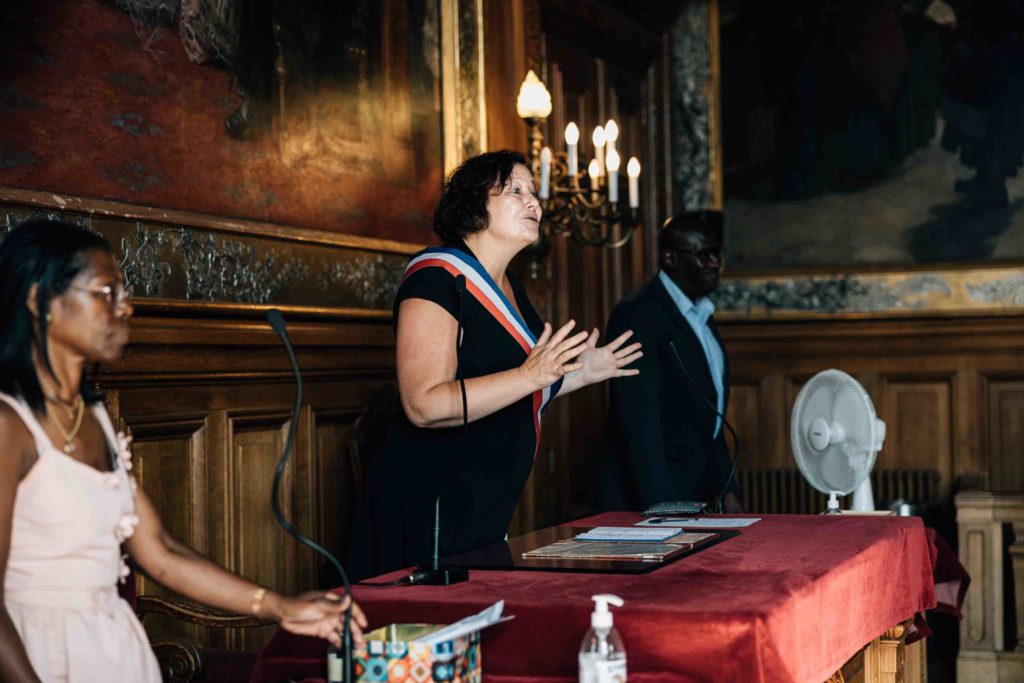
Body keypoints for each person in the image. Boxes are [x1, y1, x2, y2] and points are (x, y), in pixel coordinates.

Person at [0, 217, 367, 683]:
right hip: (40, 653)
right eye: (106, 293)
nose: (126, 307)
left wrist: (280, 606)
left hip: (113, 648)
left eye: (124, 293)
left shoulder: (95, 418)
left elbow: (161, 553)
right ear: (39, 300)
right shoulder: (9, 424)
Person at [348, 150, 642, 580]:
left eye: (535, 193)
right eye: (516, 191)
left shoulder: (512, 289)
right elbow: (423, 405)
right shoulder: (435, 279)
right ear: (473, 206)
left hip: (484, 507)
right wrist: (530, 374)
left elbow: (526, 385)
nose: (535, 204)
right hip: (428, 510)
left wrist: (582, 371)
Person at [597, 210, 741, 514]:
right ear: (670, 259)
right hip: (654, 504)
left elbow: (708, 416)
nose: (714, 263)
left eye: (717, 253)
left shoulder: (702, 315)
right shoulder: (637, 314)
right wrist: (665, 510)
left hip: (698, 499)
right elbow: (639, 425)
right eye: (704, 255)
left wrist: (727, 490)